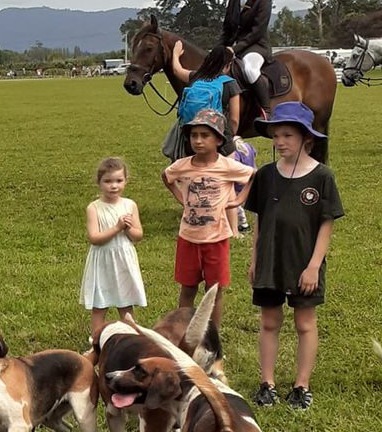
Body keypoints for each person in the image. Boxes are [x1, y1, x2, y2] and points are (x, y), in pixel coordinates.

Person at [244, 102, 343, 411]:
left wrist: (314, 266)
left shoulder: (322, 177)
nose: (280, 142)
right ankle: (267, 383)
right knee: (269, 321)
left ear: (307, 139)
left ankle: (301, 385)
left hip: (303, 263)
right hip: (270, 260)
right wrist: (254, 258)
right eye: (276, 136)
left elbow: (326, 224)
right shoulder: (266, 175)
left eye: (287, 135)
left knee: (304, 323)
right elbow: (260, 219)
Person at [161, 109, 255, 327]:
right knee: (187, 288)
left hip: (216, 240)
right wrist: (182, 198)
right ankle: (181, 333)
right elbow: (166, 177)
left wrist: (239, 198)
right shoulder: (183, 165)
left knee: (214, 291)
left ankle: (211, 337)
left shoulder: (226, 166)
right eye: (194, 135)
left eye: (205, 135)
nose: (198, 140)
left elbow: (252, 174)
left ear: (219, 140)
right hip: (188, 239)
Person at [80, 156, 146, 346]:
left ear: (126, 180)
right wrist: (117, 228)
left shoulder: (130, 205)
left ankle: (131, 339)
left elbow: (138, 235)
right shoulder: (94, 208)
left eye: (118, 180)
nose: (114, 186)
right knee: (100, 304)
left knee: (126, 302)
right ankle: (97, 341)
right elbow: (94, 238)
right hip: (103, 260)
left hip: (123, 259)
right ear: (99, 183)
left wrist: (128, 229)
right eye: (108, 181)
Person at [164, 44, 241, 156]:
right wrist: (230, 136)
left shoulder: (196, 77)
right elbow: (234, 120)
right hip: (219, 139)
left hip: (192, 139)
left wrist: (176, 54)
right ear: (227, 65)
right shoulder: (230, 83)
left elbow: (177, 70)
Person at [220, 0, 273, 127]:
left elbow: (256, 32)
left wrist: (234, 49)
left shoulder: (264, 0)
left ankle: (266, 111)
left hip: (257, 47)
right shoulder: (233, 0)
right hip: (235, 48)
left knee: (250, 70)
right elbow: (227, 28)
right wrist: (219, 49)